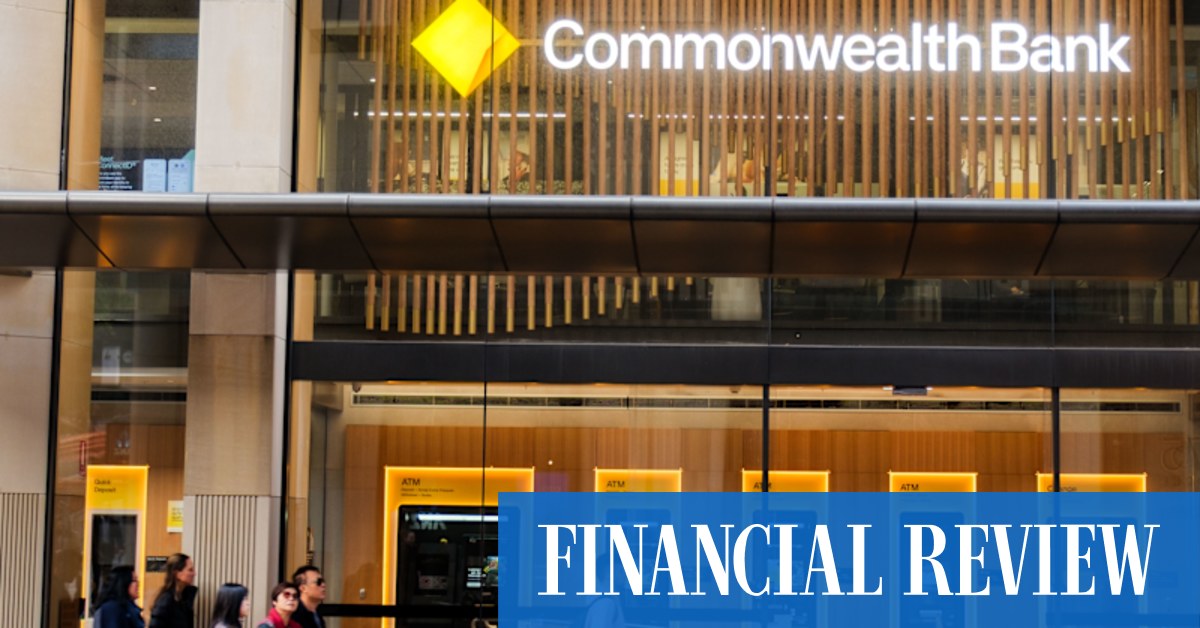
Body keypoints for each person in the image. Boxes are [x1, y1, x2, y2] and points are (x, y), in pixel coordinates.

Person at [150, 553, 198, 628]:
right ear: (177, 574)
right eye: (190, 570)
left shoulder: (185, 598)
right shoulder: (165, 601)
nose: (194, 574)